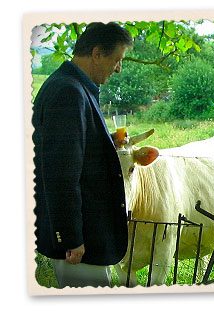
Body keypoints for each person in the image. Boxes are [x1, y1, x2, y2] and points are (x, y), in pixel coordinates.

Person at [32, 22, 133, 288]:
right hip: (81, 245)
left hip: (85, 238)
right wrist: (70, 238)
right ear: (97, 53)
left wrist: (106, 143)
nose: (119, 68)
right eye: (117, 59)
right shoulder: (69, 92)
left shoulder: (71, 85)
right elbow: (61, 174)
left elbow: (73, 150)